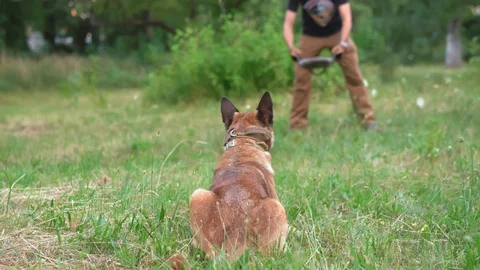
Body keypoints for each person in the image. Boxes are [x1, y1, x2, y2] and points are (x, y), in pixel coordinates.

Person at [283, 0, 377, 131]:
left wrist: (343, 44)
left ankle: (368, 120)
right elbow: (288, 23)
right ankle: (297, 126)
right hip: (310, 37)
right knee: (301, 80)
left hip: (338, 35)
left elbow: (347, 17)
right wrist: (291, 47)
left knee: (354, 77)